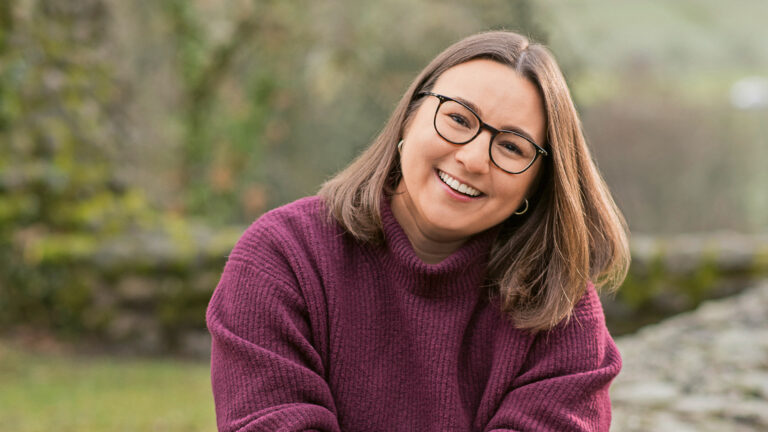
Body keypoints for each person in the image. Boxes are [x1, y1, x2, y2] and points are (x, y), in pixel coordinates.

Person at [207, 30, 630, 431]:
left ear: (535, 184)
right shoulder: (281, 260)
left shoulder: (559, 308)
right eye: (459, 119)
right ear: (408, 119)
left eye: (511, 147)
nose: (474, 158)